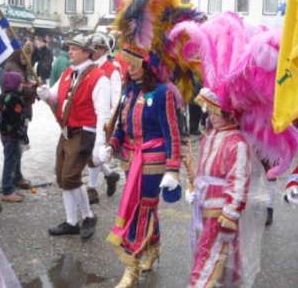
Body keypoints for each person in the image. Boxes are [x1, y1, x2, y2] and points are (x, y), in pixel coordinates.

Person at [98, 45, 182, 288]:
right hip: (130, 159)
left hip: (153, 162)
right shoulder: (128, 91)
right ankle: (154, 249)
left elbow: (172, 134)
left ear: (148, 67)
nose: (130, 68)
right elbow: (121, 128)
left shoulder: (162, 93)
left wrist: (172, 169)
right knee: (147, 208)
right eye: (129, 64)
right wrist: (112, 146)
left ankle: (131, 266)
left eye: (135, 64)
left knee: (141, 210)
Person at [184, 87, 267, 288]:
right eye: (209, 110)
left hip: (220, 213)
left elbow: (239, 182)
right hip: (205, 207)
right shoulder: (209, 136)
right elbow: (205, 173)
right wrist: (193, 179)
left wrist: (230, 213)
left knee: (207, 259)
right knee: (210, 256)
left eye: (216, 111)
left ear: (229, 113)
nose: (211, 116)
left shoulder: (237, 143)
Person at [36, 34, 110, 240]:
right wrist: (45, 95)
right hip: (67, 130)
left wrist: (99, 145)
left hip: (85, 132)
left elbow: (103, 114)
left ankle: (88, 216)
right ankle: (71, 222)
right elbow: (55, 96)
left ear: (87, 53)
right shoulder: (68, 72)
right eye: (70, 48)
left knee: (70, 176)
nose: (70, 51)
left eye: (74, 49)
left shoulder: (99, 78)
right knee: (62, 177)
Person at [86, 32, 121, 204]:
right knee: (89, 152)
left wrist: (111, 124)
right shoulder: (89, 66)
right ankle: (110, 175)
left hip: (102, 118)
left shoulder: (111, 70)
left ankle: (92, 188)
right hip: (86, 116)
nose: (90, 51)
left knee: (94, 152)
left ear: (101, 49)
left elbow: (116, 101)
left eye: (93, 47)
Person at [2, 40, 36, 189]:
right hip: (15, 114)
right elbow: (16, 89)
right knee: (14, 148)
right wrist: (34, 90)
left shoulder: (18, 65)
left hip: (18, 112)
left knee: (17, 148)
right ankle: (10, 183)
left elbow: (22, 84)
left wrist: (30, 84)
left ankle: (16, 176)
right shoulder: (13, 67)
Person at [0, 72, 28, 202]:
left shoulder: (2, 97)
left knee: (11, 160)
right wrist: (25, 138)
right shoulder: (16, 99)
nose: (22, 85)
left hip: (4, 135)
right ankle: (7, 190)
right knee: (10, 162)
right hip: (14, 136)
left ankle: (10, 187)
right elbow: (20, 120)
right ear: (15, 84)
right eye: (20, 83)